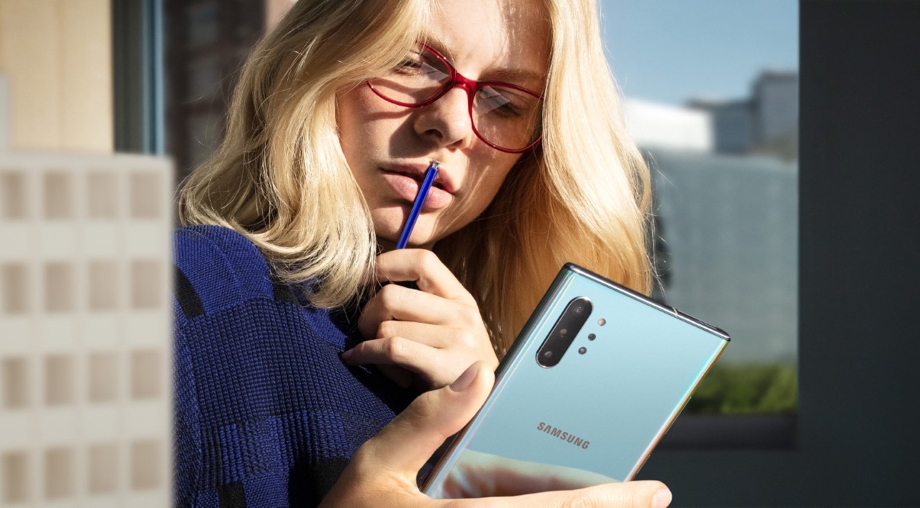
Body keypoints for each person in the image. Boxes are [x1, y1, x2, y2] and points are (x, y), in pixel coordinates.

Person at [173, 0, 668, 505]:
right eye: (412, 62)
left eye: (505, 101)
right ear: (315, 57)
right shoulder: (182, 293)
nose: (451, 123)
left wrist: (489, 420)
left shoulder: (487, 359)